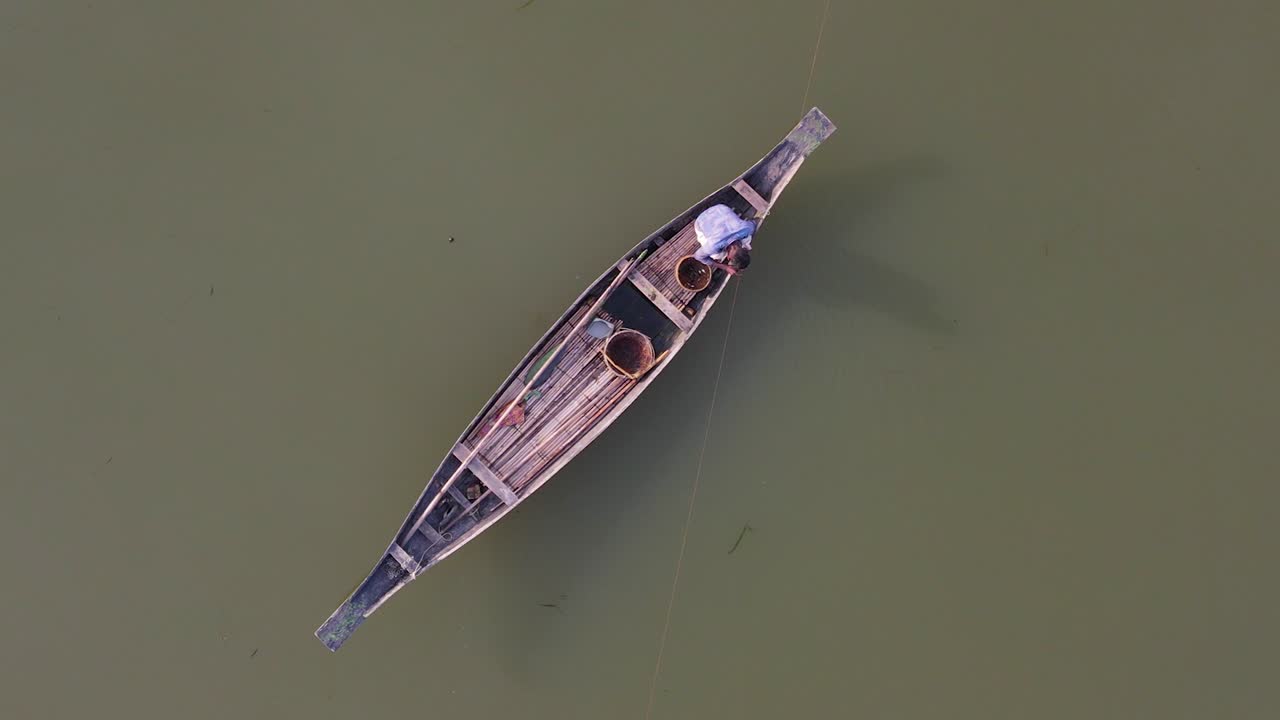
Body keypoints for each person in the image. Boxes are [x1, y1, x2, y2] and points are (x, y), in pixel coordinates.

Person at [693, 204, 754, 275]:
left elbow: (753, 223)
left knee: (748, 237)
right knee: (715, 256)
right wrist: (725, 267)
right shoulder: (714, 245)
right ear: (729, 258)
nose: (728, 259)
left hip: (720, 208)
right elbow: (698, 256)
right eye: (730, 259)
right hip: (701, 220)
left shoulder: (748, 228)